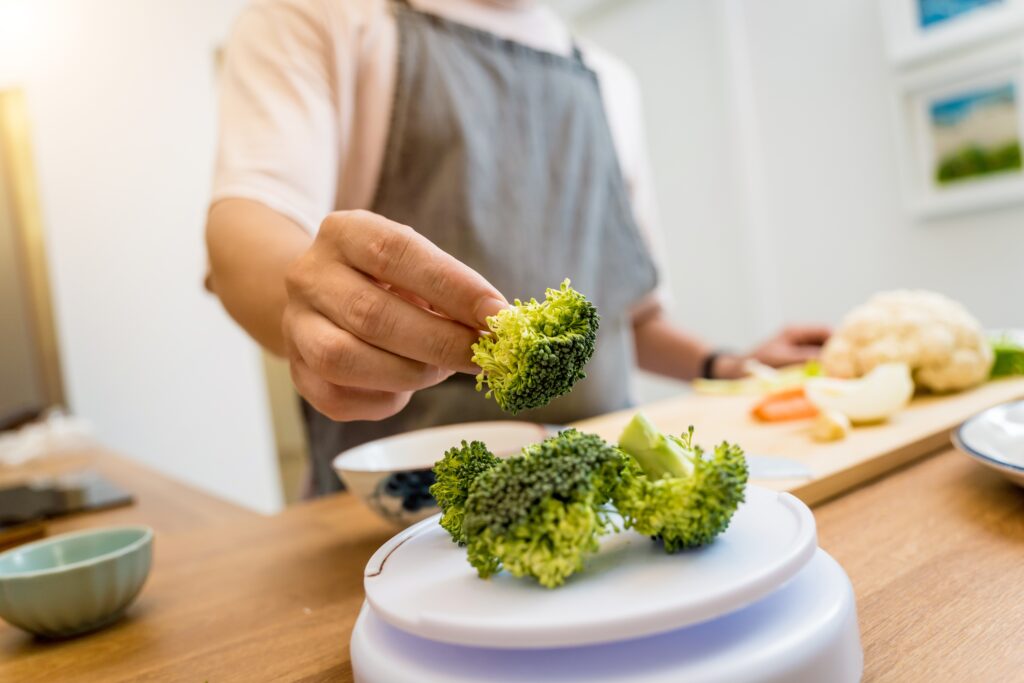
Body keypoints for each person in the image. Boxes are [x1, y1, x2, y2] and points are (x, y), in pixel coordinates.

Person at [205, 0, 829, 495]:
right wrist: (307, 302)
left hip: (607, 485)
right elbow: (247, 232)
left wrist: (725, 364)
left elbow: (627, 317)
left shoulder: (609, 81)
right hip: (400, 510)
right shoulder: (319, 18)